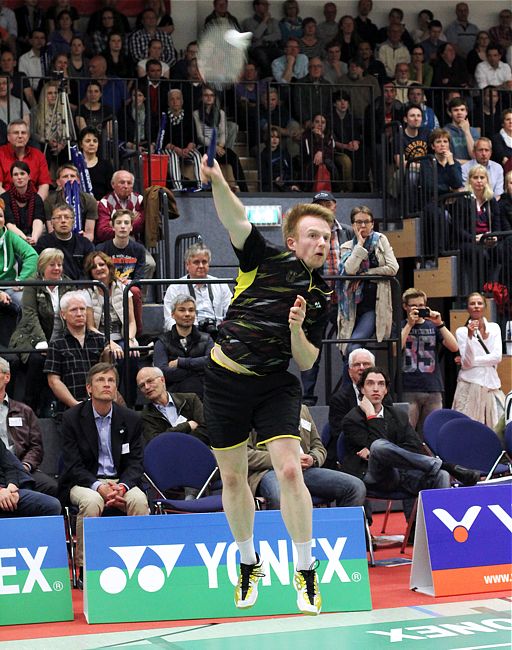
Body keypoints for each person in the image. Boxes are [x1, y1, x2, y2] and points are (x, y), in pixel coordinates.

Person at [200, 154, 334, 615]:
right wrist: (218, 179)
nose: (322, 243)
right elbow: (234, 217)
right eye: (314, 235)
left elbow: (308, 358)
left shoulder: (323, 296)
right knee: (234, 477)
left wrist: (297, 328)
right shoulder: (263, 258)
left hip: (276, 383)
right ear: (293, 240)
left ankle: (306, 571)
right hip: (224, 381)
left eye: (328, 237)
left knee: (292, 470)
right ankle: (247, 560)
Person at [342, 367, 480, 524]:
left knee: (441, 475)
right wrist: (372, 416)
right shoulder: (352, 419)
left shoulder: (397, 415)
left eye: (381, 384)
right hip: (374, 477)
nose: (376, 388)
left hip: (402, 475)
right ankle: (444, 465)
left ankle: (436, 531)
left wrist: (389, 451)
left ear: (386, 390)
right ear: (362, 389)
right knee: (379, 447)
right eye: (370, 383)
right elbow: (377, 447)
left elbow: (414, 447)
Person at [59, 362, 149, 584]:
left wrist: (122, 487)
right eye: (101, 380)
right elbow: (73, 465)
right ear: (89, 388)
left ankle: (137, 562)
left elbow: (136, 462)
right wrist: (99, 487)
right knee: (91, 502)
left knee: (139, 500)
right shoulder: (71, 418)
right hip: (84, 482)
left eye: (111, 381)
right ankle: (85, 569)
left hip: (120, 482)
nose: (106, 385)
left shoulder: (131, 419)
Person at [248, 404, 366, 510]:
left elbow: (318, 447)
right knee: (281, 496)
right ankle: (280, 534)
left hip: (305, 470)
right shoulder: (250, 412)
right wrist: (282, 459)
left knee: (355, 487)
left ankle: (342, 533)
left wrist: (313, 459)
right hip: (270, 471)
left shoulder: (301, 410)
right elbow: (246, 455)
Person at [8, 248, 73, 415]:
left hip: (60, 338)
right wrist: (41, 341)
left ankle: (58, 406)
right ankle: (30, 407)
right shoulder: (32, 284)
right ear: (43, 266)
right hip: (31, 336)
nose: (57, 268)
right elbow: (30, 314)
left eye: (60, 264)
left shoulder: (68, 284)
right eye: (52, 265)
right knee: (37, 359)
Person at [337, 205, 399, 363]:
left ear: (372, 224)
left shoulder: (380, 240)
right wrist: (359, 245)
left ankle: (350, 388)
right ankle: (354, 386)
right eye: (358, 222)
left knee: (352, 346)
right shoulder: (347, 247)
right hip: (351, 306)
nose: (363, 226)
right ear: (353, 225)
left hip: (374, 306)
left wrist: (365, 274)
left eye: (366, 222)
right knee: (347, 352)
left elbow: (393, 268)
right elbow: (350, 270)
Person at [401, 288, 459, 433]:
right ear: (405, 307)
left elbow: (454, 347)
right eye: (414, 306)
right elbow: (396, 349)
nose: (418, 309)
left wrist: (440, 323)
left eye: (421, 306)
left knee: (433, 432)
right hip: (408, 387)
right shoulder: (401, 325)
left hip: (433, 386)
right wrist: (409, 324)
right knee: (406, 432)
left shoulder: (433, 326)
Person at [0, 356, 58, 496]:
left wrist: (25, 466)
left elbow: (36, 446)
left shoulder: (24, 410)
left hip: (22, 466)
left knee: (52, 487)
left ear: (7, 377)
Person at [44, 290, 109, 413]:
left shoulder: (100, 340)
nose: (79, 314)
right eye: (74, 310)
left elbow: (110, 375)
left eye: (82, 309)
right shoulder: (57, 344)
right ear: (63, 315)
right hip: (70, 410)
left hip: (101, 408)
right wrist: (75, 405)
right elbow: (53, 381)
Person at [328, 348, 389, 470]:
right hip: (353, 455)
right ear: (350, 372)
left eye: (366, 364)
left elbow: (390, 427)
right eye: (357, 364)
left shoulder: (384, 395)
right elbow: (341, 433)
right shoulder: (339, 399)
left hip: (381, 453)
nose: (362, 368)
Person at [452, 292, 505, 427]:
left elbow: (497, 357)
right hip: (470, 384)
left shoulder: (494, 328)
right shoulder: (462, 331)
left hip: (491, 385)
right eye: (472, 303)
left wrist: (467, 362)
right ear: (468, 308)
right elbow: (468, 362)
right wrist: (470, 337)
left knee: (497, 426)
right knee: (468, 427)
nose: (476, 306)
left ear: (484, 307)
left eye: (479, 303)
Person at [96, 170, 155, 280]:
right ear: (113, 184)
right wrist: (130, 221)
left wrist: (115, 224)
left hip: (134, 243)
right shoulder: (105, 202)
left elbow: (141, 225)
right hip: (111, 244)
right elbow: (102, 232)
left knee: (150, 264)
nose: (126, 186)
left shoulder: (140, 199)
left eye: (129, 183)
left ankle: (139, 295)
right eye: (122, 182)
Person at [163, 241, 232, 333]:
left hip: (217, 333)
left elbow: (231, 314)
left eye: (204, 262)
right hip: (187, 334)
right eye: (196, 262)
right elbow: (169, 320)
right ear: (187, 265)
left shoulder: (221, 285)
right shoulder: (175, 288)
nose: (201, 266)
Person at [84, 251, 139, 363]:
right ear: (90, 272)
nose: (98, 268)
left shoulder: (123, 289)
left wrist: (130, 340)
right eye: (94, 267)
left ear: (109, 266)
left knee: (132, 353)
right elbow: (90, 327)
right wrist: (108, 342)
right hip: (99, 339)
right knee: (111, 354)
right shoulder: (87, 293)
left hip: (123, 337)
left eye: (102, 264)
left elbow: (131, 322)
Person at [155, 294, 214, 399]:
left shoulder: (207, 339)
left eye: (191, 310)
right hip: (175, 397)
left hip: (204, 396)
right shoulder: (162, 341)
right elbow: (162, 372)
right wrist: (197, 369)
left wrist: (181, 362)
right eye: (182, 310)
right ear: (173, 314)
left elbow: (211, 363)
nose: (187, 314)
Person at [193, 86, 248, 193]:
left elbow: (223, 132)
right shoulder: (196, 114)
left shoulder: (220, 113)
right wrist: (214, 146)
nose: (209, 98)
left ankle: (244, 189)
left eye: (211, 95)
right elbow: (200, 136)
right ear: (202, 98)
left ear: (215, 98)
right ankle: (207, 188)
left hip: (219, 146)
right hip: (204, 147)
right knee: (205, 157)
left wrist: (220, 145)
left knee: (233, 156)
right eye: (206, 95)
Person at [136, 365, 209, 445]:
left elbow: (207, 428)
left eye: (150, 381)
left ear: (162, 380)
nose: (146, 387)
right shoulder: (146, 415)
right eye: (142, 386)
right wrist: (186, 426)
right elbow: (157, 442)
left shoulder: (190, 399)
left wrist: (183, 444)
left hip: (198, 450)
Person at [0, 436, 61, 517]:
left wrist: (11, 485)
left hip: (6, 487)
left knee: (52, 504)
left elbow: (11, 466)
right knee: (50, 506)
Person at [35, 203, 94, 281]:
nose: (63, 221)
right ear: (52, 222)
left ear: (73, 221)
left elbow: (89, 270)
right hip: (53, 285)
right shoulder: (43, 243)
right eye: (58, 217)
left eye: (67, 217)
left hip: (81, 287)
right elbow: (40, 270)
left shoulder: (85, 244)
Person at [0, 196, 37, 311]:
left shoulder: (9, 236)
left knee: (26, 305)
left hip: (9, 286)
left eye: (0, 216)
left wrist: (21, 280)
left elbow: (32, 256)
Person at [44, 164, 97, 242]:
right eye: (65, 177)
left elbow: (89, 234)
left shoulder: (89, 200)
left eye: (72, 176)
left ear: (78, 180)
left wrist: (81, 240)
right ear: (58, 182)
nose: (69, 179)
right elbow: (51, 231)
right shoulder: (50, 201)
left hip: (81, 240)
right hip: (57, 239)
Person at [0, 119, 51, 200]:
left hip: (32, 203)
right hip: (6, 203)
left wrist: (36, 203)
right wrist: (10, 204)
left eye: (23, 133)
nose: (20, 136)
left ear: (28, 136)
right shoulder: (1, 153)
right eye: (16, 133)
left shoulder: (38, 155)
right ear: (8, 137)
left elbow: (44, 185)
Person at [163, 88, 202, 191]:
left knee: (197, 155)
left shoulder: (188, 116)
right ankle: (178, 187)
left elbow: (194, 137)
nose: (175, 102)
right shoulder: (164, 117)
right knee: (173, 156)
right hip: (170, 148)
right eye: (172, 99)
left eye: (178, 99)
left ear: (182, 101)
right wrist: (176, 149)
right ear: (168, 102)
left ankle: (200, 185)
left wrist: (189, 148)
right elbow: (162, 140)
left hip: (186, 148)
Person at [1, 160, 44, 244]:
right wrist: (25, 239)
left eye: (22, 173)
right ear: (12, 178)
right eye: (15, 174)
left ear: (29, 176)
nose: (19, 177)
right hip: (10, 238)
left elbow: (38, 220)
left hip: (33, 238)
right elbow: (9, 224)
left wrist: (34, 238)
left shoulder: (36, 198)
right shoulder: (4, 198)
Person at [300, 112, 337, 191]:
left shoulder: (329, 135)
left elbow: (332, 152)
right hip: (310, 162)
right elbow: (309, 154)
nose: (320, 124)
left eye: (323, 122)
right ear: (312, 123)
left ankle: (335, 189)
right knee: (315, 162)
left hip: (327, 161)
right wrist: (320, 140)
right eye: (317, 122)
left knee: (328, 162)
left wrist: (321, 153)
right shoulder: (306, 136)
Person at [78, 127, 114, 201]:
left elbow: (110, 190)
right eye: (88, 141)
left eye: (95, 141)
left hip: (101, 206)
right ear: (81, 144)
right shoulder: (75, 165)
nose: (92, 144)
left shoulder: (106, 165)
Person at [445, 97, 479, 165]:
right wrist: (469, 163)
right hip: (453, 168)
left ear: (466, 112)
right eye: (456, 110)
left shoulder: (474, 131)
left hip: (472, 170)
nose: (459, 112)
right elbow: (446, 158)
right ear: (450, 113)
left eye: (462, 110)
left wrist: (467, 132)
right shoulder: (444, 132)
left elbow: (475, 156)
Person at [17, 28, 47, 93]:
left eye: (42, 38)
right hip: (32, 92)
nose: (39, 41)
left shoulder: (50, 57)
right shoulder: (23, 58)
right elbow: (24, 81)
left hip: (49, 91)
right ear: (30, 41)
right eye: (36, 38)